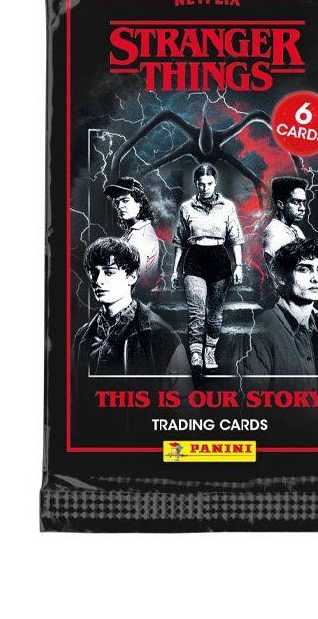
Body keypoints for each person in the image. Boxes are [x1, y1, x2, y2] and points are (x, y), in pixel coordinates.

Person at [72, 237, 192, 443]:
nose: (98, 281)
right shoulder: (83, 337)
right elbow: (76, 405)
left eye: (109, 272)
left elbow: (185, 412)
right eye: (94, 272)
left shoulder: (161, 335)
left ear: (132, 276)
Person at [242, 239, 318, 444]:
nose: (315, 278)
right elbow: (252, 416)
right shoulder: (260, 331)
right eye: (304, 269)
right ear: (282, 277)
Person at [171, 163, 245, 370]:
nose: (205, 188)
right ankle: (196, 354)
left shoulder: (227, 207)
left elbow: (236, 238)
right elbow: (179, 241)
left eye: (209, 184)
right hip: (194, 259)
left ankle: (209, 351)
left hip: (219, 259)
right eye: (201, 184)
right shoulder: (187, 208)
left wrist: (239, 265)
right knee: (196, 311)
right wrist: (175, 270)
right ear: (196, 184)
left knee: (214, 314)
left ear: (215, 183)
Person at [104, 177, 160, 289]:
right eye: (117, 202)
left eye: (125, 201)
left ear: (140, 202)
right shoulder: (134, 232)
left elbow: (137, 281)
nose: (120, 206)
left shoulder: (141, 235)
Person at [262, 176, 308, 273]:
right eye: (296, 202)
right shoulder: (274, 232)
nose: (302, 208)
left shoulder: (296, 229)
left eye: (304, 203)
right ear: (280, 204)